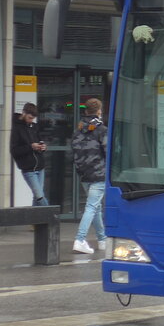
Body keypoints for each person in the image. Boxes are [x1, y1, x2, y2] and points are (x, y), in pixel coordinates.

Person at [71, 98, 109, 254]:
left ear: (86, 111)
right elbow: (107, 151)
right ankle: (80, 240)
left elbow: (73, 151)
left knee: (96, 208)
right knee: (92, 207)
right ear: (99, 111)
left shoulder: (78, 130)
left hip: (84, 174)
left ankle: (102, 240)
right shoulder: (102, 130)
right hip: (99, 173)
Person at [9, 103, 49, 206]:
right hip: (28, 169)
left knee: (37, 196)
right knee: (40, 196)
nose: (31, 120)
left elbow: (40, 140)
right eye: (29, 118)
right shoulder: (16, 128)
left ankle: (36, 221)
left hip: (40, 167)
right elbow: (14, 150)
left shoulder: (34, 127)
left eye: (33, 118)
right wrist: (31, 147)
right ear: (24, 113)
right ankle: (52, 217)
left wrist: (42, 147)